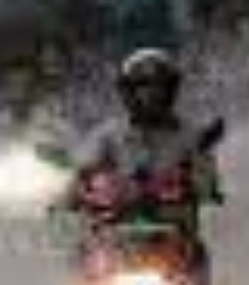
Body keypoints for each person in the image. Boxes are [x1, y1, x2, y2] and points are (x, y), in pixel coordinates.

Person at [68, 48, 223, 241]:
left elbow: (207, 180)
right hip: (116, 234)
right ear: (128, 92)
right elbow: (85, 171)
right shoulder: (109, 135)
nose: (150, 95)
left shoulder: (191, 136)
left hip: (174, 236)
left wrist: (201, 186)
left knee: (196, 258)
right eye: (142, 87)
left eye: (159, 87)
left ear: (171, 90)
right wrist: (73, 194)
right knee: (82, 250)